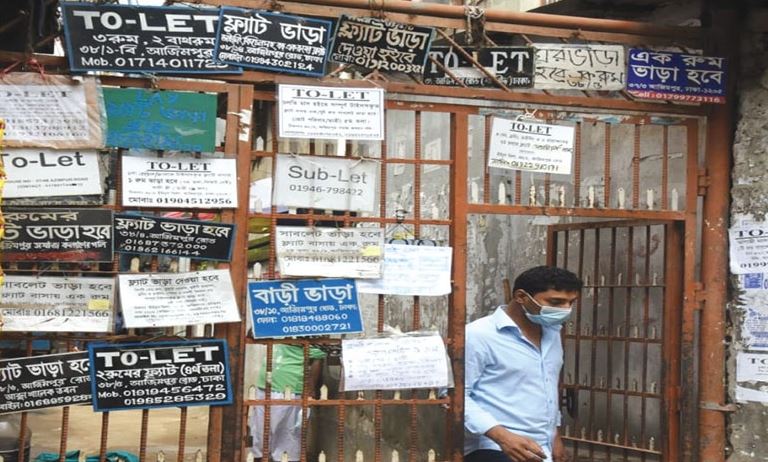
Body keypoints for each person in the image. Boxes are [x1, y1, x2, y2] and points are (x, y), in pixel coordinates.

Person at [464, 266, 582, 462]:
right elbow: (456, 396)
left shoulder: (552, 333)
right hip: (492, 447)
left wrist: (554, 436)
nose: (565, 309)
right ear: (521, 297)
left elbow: (547, 389)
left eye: (571, 302)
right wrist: (503, 437)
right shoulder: (478, 335)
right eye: (555, 302)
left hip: (541, 449)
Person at [250, 344, 326, 462]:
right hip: (264, 385)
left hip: (287, 388)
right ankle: (261, 457)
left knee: (286, 434)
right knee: (261, 431)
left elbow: (317, 357)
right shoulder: (277, 332)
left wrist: (310, 390)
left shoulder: (312, 338)